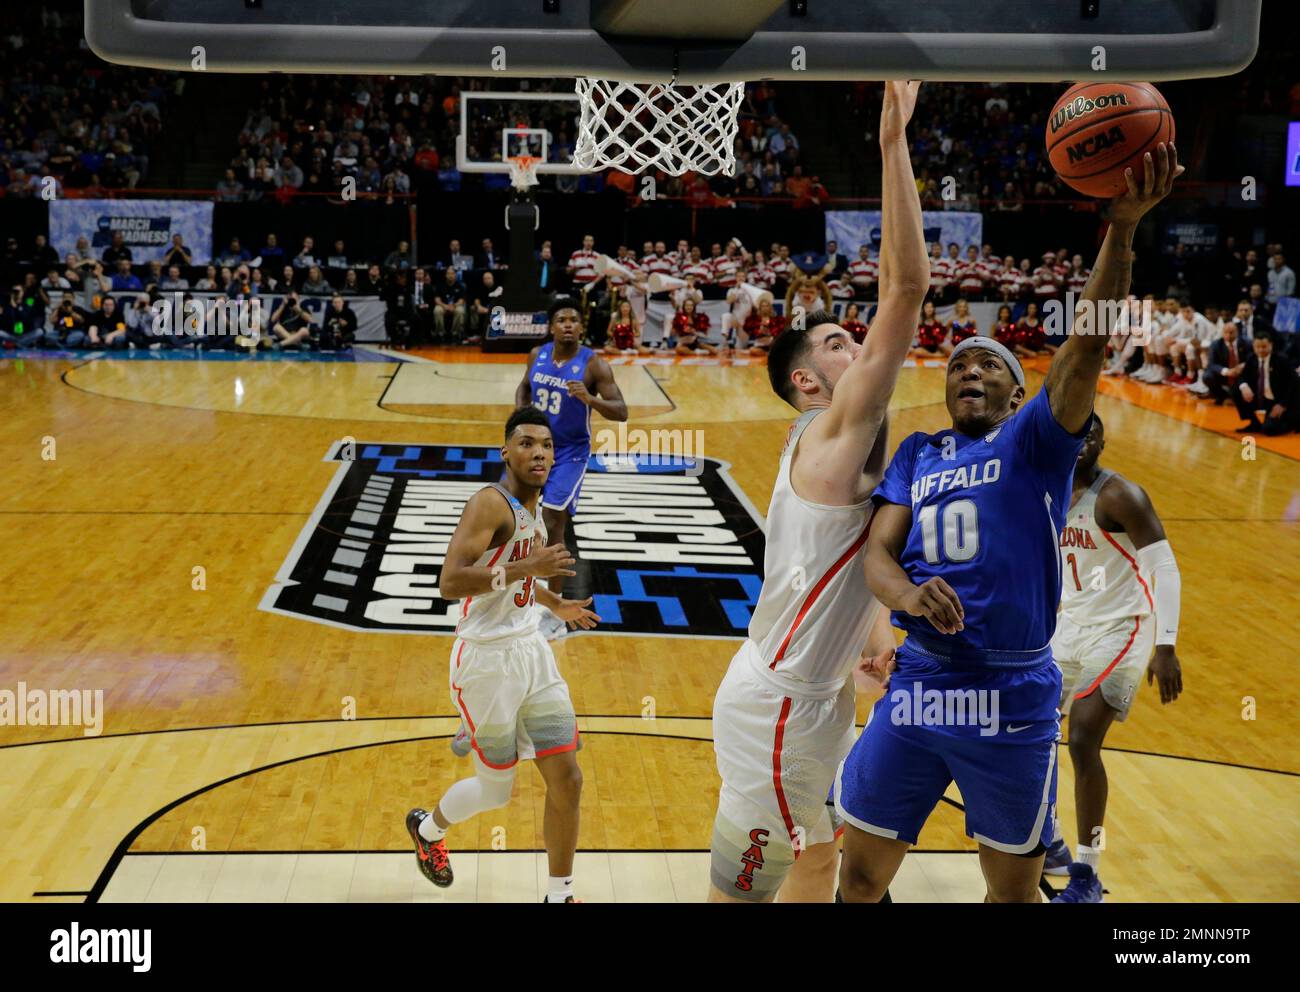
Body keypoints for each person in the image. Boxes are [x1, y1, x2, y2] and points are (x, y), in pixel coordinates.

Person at [836, 142, 1182, 904]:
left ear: (1021, 389)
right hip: (922, 683)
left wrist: (1120, 230)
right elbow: (878, 556)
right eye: (959, 364)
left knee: (1014, 893)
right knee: (858, 878)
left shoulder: (1034, 440)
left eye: (988, 364)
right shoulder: (920, 454)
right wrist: (907, 598)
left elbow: (1086, 343)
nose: (969, 371)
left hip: (1012, 694)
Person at [707, 81, 927, 904]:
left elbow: (855, 552)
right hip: (780, 709)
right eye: (840, 342)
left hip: (812, 698)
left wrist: (872, 626)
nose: (857, 346)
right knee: (775, 879)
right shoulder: (831, 435)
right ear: (807, 379)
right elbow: (905, 294)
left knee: (796, 867)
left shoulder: (840, 447)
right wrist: (892, 144)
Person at [406, 407, 599, 902]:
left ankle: (560, 894)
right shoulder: (488, 505)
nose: (539, 452)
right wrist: (528, 566)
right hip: (486, 660)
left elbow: (521, 577)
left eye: (547, 445)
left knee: (569, 778)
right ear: (505, 452)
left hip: (531, 652)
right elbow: (450, 583)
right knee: (496, 793)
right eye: (528, 443)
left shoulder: (535, 509)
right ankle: (428, 830)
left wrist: (555, 602)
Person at [1047, 416, 1183, 902]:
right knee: (1032, 729)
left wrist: (1165, 644)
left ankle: (1087, 873)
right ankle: (1049, 839)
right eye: (1076, 434)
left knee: (1082, 739)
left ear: (1104, 441)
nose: (1084, 443)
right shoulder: (1046, 488)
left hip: (1123, 628)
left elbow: (1164, 569)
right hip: (1069, 626)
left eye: (1093, 435)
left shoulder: (1121, 496)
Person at [515, 301, 628, 640]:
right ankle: (524, 593)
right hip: (536, 445)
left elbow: (622, 412)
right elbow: (524, 387)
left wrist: (590, 400)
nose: (567, 325)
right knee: (522, 519)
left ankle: (555, 609)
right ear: (551, 326)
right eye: (561, 319)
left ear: (582, 328)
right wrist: (521, 416)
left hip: (571, 454)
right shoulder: (537, 354)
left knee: (552, 522)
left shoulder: (594, 365)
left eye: (573, 320)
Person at [1233, 330, 1298, 435]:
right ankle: (1254, 423)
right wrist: (1244, 386)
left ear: (1271, 345)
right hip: (1264, 399)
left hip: (1282, 401)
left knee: (1269, 430)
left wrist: (1282, 405)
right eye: (1257, 347)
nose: (1261, 350)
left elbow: (1294, 384)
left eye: (1264, 347)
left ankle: (1291, 423)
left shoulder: (1281, 360)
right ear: (1253, 346)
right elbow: (1242, 377)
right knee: (1236, 389)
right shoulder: (1252, 358)